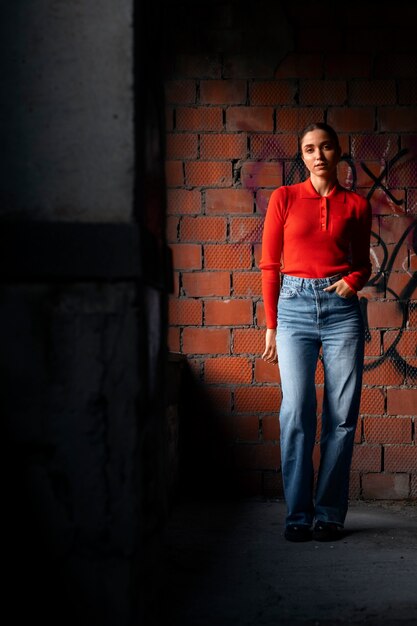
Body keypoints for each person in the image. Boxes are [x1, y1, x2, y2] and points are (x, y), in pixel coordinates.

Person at [259, 122, 372, 542]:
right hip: (294, 309)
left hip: (342, 310)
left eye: (325, 147)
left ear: (338, 152)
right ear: (302, 156)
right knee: (296, 412)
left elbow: (363, 262)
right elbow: (270, 265)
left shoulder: (357, 206)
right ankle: (297, 514)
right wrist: (271, 325)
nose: (318, 155)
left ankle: (328, 513)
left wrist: (354, 281)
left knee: (341, 419)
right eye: (309, 149)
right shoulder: (284, 198)